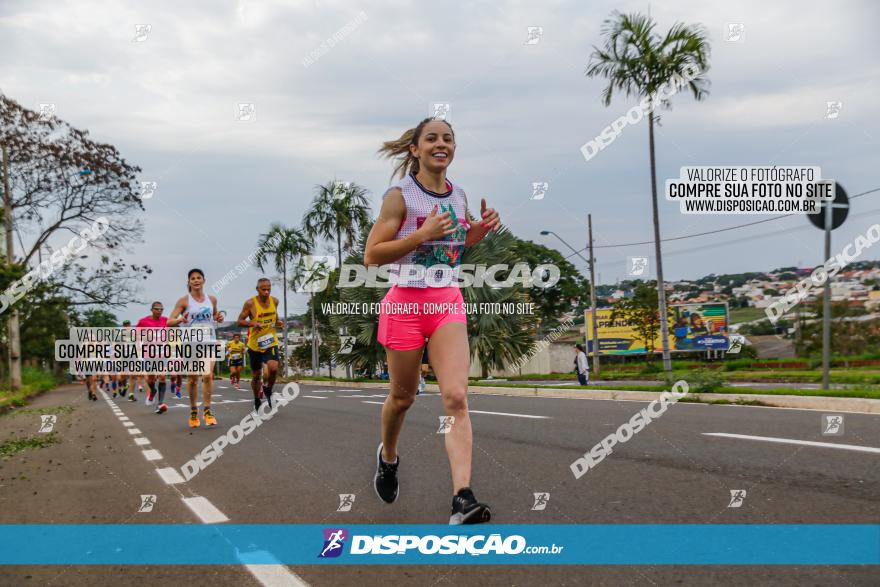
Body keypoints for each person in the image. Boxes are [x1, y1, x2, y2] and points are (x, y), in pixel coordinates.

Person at [365, 117, 501, 524]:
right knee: (403, 397)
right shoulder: (400, 197)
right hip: (404, 304)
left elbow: (454, 249)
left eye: (448, 138)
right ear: (416, 149)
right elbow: (372, 255)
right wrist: (419, 235)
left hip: (446, 302)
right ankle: (388, 457)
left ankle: (462, 496)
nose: (441, 144)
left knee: (456, 397)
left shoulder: (459, 196)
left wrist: (476, 232)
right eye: (432, 138)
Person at [168, 268, 224, 428]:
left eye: (199, 277)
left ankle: (207, 411)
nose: (196, 280)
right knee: (192, 379)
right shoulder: (184, 301)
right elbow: (168, 322)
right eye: (193, 278)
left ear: (204, 280)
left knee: (207, 375)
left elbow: (215, 317)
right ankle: (193, 411)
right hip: (191, 343)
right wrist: (180, 320)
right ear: (189, 282)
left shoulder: (212, 299)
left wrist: (218, 317)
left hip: (209, 341)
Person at [237, 278, 283, 411]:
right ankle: (257, 398)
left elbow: (275, 317)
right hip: (255, 344)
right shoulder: (250, 303)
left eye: (269, 288)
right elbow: (239, 321)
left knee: (273, 368)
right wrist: (253, 323)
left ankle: (268, 389)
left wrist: (279, 322)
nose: (267, 291)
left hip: (270, 341)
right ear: (257, 289)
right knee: (256, 375)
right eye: (263, 289)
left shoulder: (275, 301)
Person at [136, 301, 170, 414]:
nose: (159, 311)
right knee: (150, 379)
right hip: (149, 354)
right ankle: (153, 391)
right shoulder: (143, 321)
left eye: (161, 309)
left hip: (162, 354)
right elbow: (136, 336)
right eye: (157, 309)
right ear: (152, 309)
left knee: (162, 377)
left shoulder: (166, 320)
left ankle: (160, 404)